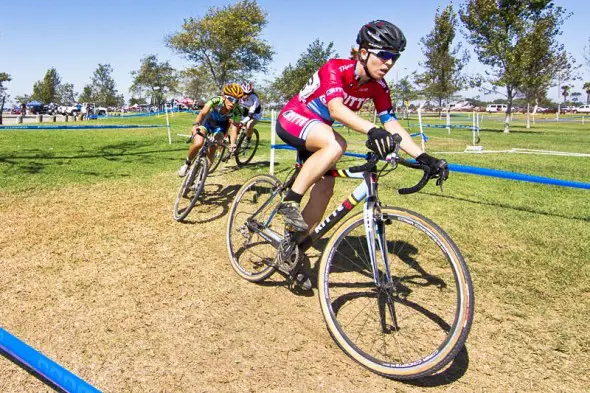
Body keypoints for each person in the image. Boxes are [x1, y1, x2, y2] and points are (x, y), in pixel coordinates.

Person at [274, 20, 449, 286]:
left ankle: (291, 247)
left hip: (318, 131)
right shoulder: (335, 68)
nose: (389, 63)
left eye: (395, 57)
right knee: (337, 144)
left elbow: (391, 123)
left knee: (324, 191)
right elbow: (336, 110)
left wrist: (422, 156)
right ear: (364, 51)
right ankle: (290, 201)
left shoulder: (378, 86)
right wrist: (372, 131)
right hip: (294, 118)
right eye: (385, 55)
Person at [178, 83, 245, 177]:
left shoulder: (237, 110)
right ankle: (187, 163)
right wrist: (195, 125)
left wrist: (233, 143)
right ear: (224, 97)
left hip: (221, 127)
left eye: (236, 100)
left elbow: (234, 128)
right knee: (198, 143)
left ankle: (201, 177)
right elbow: (202, 113)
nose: (233, 103)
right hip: (208, 122)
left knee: (212, 150)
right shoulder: (216, 100)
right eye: (231, 99)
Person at [238, 81, 262, 148]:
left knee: (248, 125)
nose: (246, 95)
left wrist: (243, 122)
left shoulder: (254, 98)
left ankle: (248, 140)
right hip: (245, 111)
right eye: (244, 93)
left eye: (249, 93)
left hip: (255, 113)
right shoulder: (238, 96)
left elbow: (250, 115)